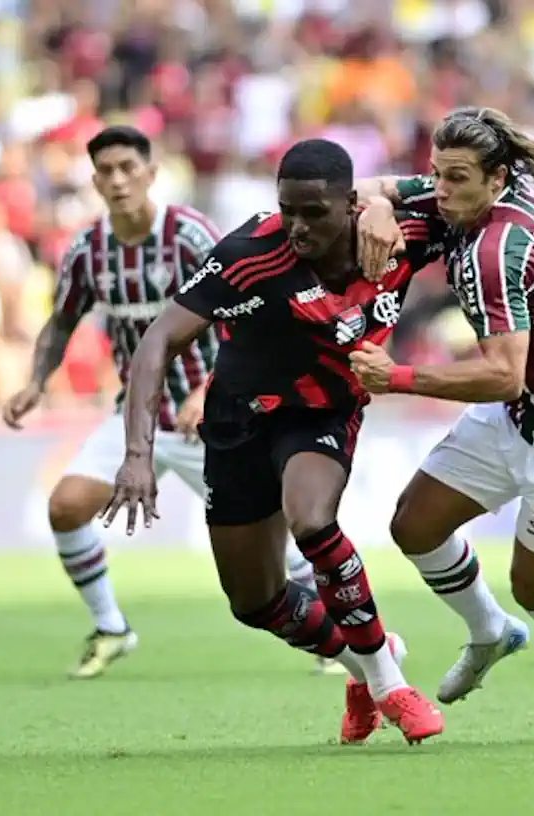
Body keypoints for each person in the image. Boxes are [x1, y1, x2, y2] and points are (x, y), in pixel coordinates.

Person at [102, 137, 450, 745]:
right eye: (287, 208)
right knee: (254, 601)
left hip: (322, 411)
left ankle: (391, 685)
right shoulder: (246, 255)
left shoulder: (403, 236)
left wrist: (385, 201)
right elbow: (157, 342)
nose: (296, 225)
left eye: (314, 212)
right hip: (239, 418)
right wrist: (138, 456)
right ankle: (368, 663)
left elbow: (477, 193)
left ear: (350, 204)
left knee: (312, 520)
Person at [350, 106, 534, 741]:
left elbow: (502, 374)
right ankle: (489, 631)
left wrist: (395, 376)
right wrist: (375, 206)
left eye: (457, 178)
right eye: (437, 173)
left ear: (498, 179)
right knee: (415, 523)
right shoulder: (471, 197)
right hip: (519, 414)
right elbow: (365, 186)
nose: (441, 190)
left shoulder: (493, 251)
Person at [1, 126, 324, 679]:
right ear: (95, 180)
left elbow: (251, 309)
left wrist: (208, 388)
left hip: (214, 415)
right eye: (105, 170)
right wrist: (36, 381)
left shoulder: (192, 236)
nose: (117, 179)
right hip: (139, 418)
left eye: (128, 167)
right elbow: (62, 322)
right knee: (67, 505)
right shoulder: (88, 251)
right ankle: (111, 627)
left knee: (283, 538)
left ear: (151, 173)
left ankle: (332, 633)